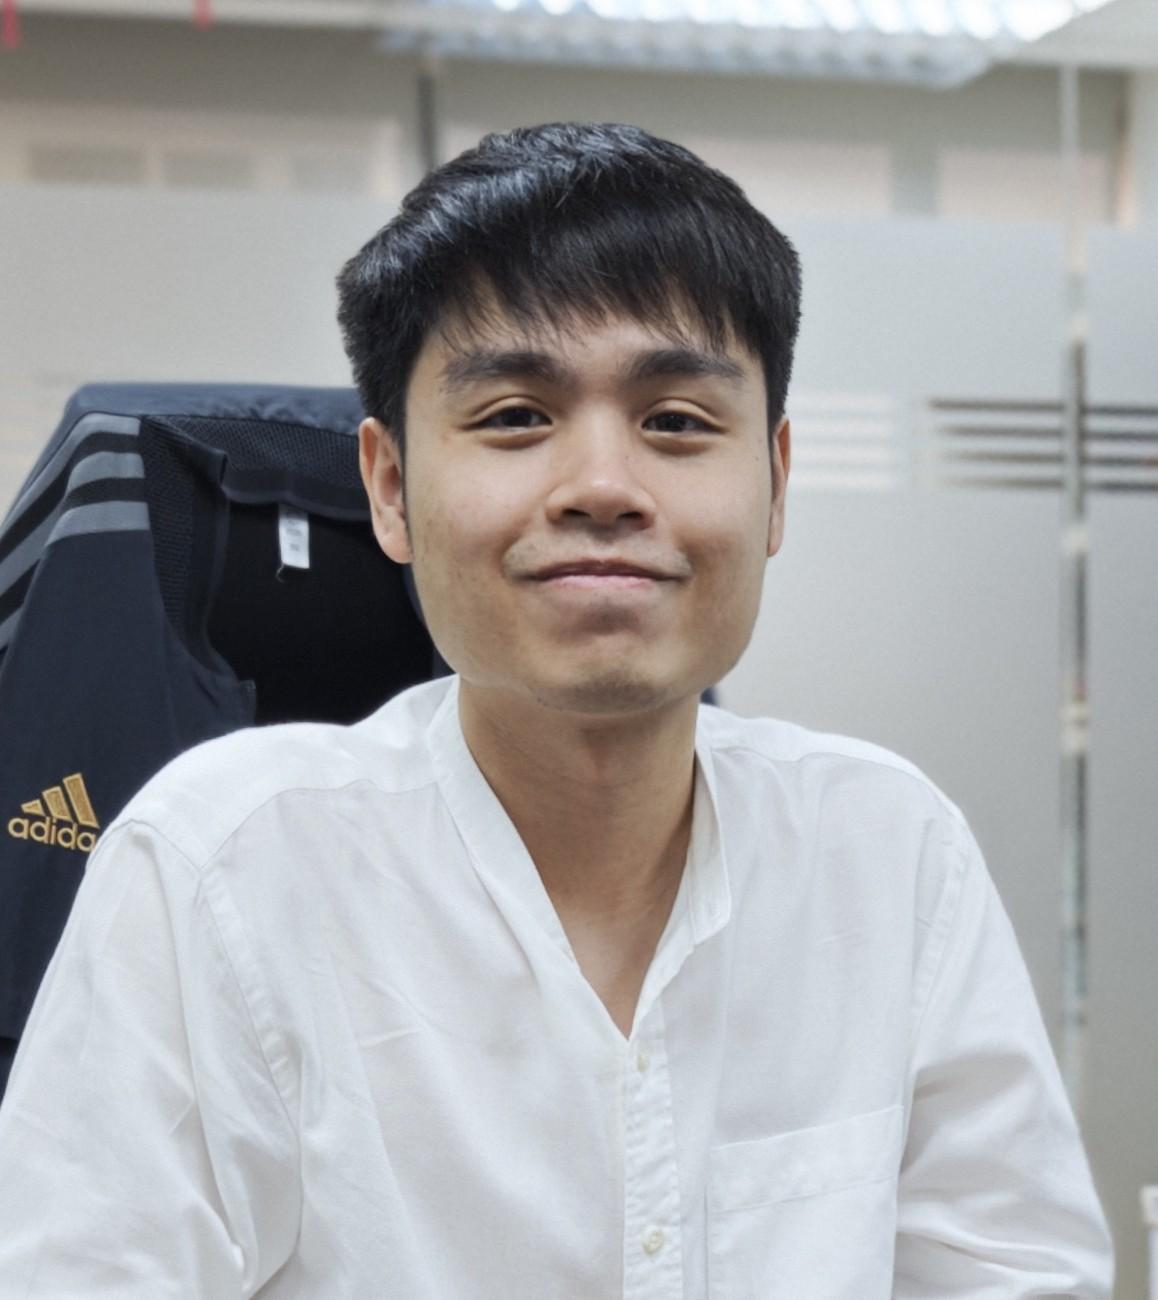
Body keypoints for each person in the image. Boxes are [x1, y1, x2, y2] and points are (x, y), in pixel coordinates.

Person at [0, 122, 1113, 1298]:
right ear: (389, 486)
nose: (602, 488)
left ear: (777, 483)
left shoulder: (889, 853)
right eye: (516, 416)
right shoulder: (217, 871)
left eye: (677, 421)